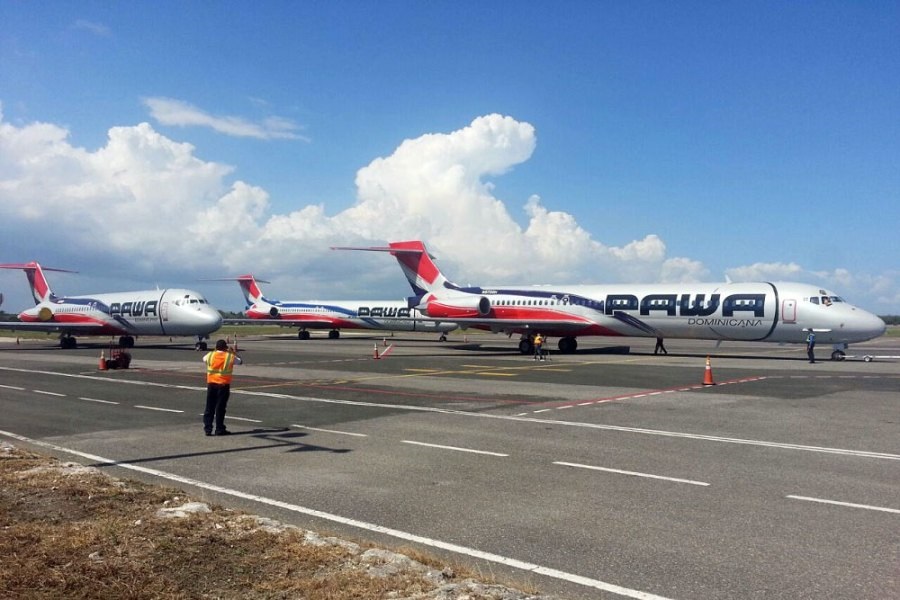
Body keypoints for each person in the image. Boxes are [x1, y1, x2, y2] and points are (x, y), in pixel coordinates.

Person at [202, 339, 242, 436]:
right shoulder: (229, 356)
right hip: (223, 385)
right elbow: (240, 361)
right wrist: (233, 352)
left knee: (209, 407)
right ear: (225, 347)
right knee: (220, 408)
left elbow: (204, 359)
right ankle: (219, 429)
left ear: (216, 347)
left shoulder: (210, 355)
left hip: (211, 384)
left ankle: (208, 428)